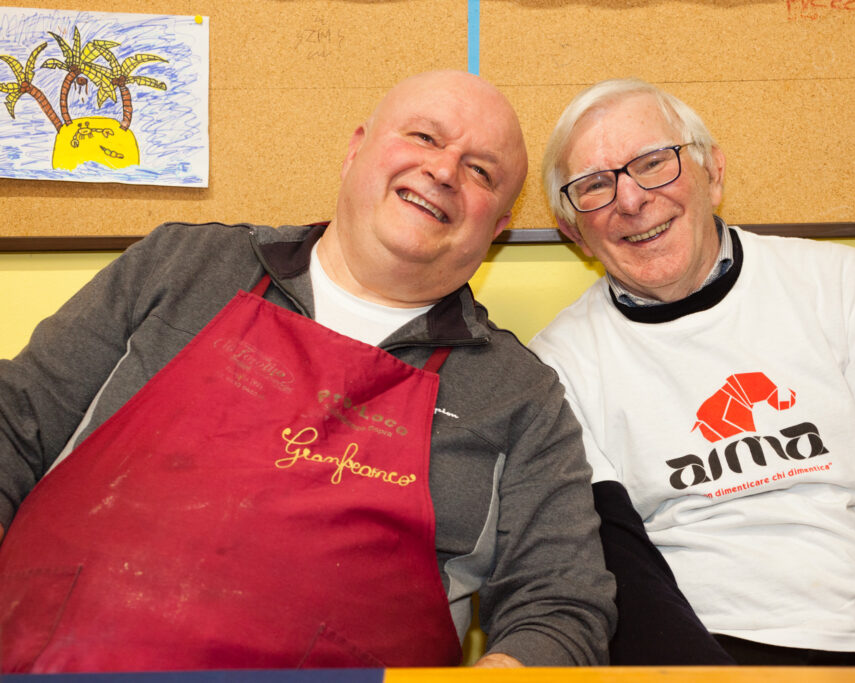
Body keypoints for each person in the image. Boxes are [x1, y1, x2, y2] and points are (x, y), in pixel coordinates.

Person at [0, 70, 615, 672]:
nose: (444, 170)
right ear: (355, 150)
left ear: (498, 227)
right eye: (425, 137)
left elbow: (562, 603)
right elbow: (13, 423)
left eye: (481, 171)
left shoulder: (518, 395)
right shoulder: (184, 264)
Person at [529, 78, 855, 666]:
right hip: (697, 654)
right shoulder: (558, 362)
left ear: (713, 174)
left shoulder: (840, 284)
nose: (632, 199)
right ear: (574, 232)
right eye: (594, 185)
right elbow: (616, 569)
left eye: (653, 162)